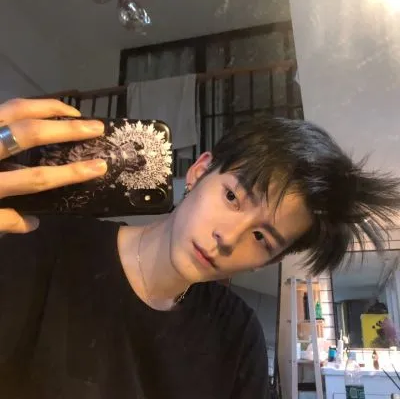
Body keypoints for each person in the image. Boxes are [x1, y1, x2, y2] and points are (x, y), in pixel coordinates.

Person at [0, 98, 399, 399]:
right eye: (232, 197)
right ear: (198, 171)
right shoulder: (36, 248)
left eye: (262, 238)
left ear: (270, 260)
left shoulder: (236, 338)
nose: (229, 237)